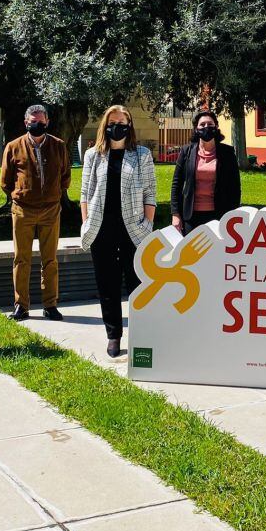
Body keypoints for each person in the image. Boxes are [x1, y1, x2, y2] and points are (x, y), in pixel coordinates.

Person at [80, 105, 156, 358]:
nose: (118, 126)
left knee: (137, 283)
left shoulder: (142, 154)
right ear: (105, 125)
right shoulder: (93, 155)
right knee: (107, 284)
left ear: (130, 125)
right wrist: (86, 222)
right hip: (102, 229)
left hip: (133, 229)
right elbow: (85, 194)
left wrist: (147, 224)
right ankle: (113, 335)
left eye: (123, 121)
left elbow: (150, 194)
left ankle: (140, 333)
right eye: (113, 122)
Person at [1, 104, 72, 322]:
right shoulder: (13, 147)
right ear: (26, 123)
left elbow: (66, 176)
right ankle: (21, 306)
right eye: (33, 122)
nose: (37, 125)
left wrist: (54, 195)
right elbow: (5, 181)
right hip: (22, 210)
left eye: (41, 122)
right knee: (21, 259)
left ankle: (50, 305)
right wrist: (20, 194)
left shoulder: (59, 146)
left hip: (51, 210)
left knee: (50, 259)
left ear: (47, 122)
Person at [170, 110, 241, 234]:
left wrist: (232, 215)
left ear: (216, 127)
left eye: (210, 124)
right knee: (191, 252)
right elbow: (176, 184)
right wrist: (175, 214)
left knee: (216, 252)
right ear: (196, 129)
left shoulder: (227, 153)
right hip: (191, 216)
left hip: (219, 215)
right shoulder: (186, 151)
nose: (206, 127)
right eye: (202, 125)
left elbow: (235, 187)